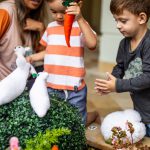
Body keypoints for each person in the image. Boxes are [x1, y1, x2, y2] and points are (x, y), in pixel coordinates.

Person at [27, 0, 100, 126]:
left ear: (78, 5)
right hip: (50, 86)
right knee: (54, 121)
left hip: (74, 89)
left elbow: (92, 44)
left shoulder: (80, 25)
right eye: (54, 12)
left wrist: (81, 19)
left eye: (63, 11)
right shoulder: (50, 27)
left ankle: (92, 116)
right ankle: (91, 116)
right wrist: (33, 57)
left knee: (77, 124)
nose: (59, 16)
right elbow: (50, 51)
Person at [94, 0, 150, 136]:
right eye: (116, 21)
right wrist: (111, 82)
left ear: (141, 18)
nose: (118, 26)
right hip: (142, 109)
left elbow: (148, 77)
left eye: (123, 21)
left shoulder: (148, 44)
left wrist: (118, 85)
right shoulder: (124, 44)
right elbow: (120, 66)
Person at [0, 0, 49, 86]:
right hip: (5, 85)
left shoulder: (31, 13)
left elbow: (46, 55)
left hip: (26, 81)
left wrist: (41, 28)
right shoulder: (5, 11)